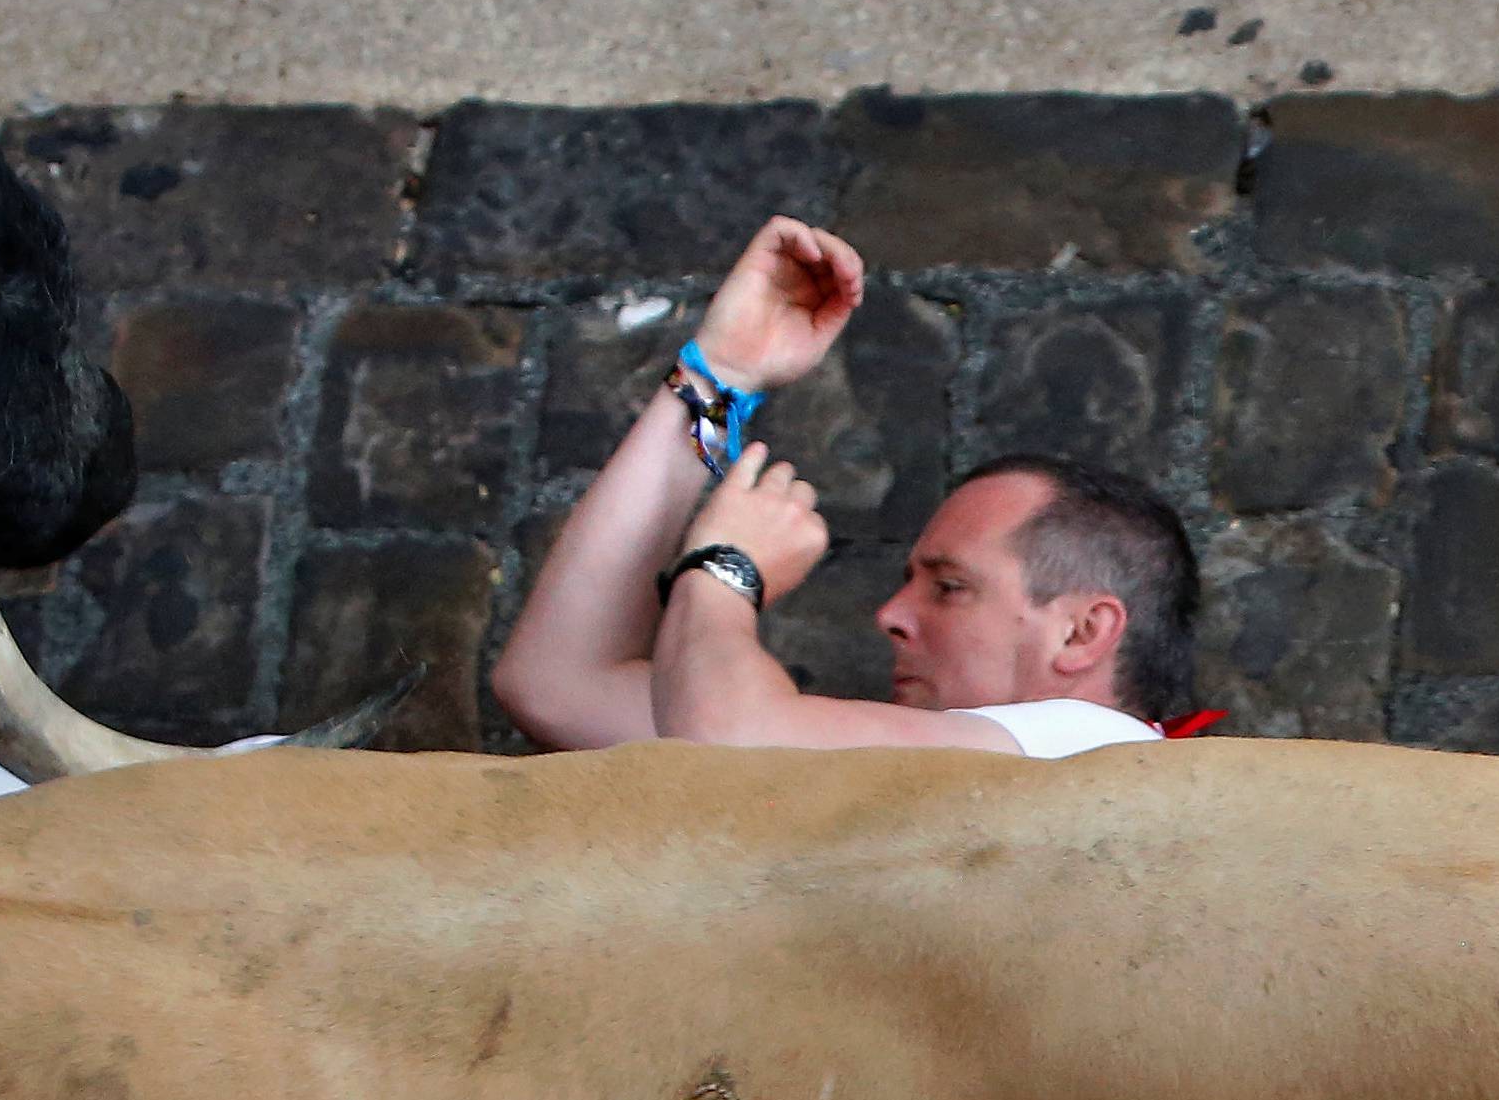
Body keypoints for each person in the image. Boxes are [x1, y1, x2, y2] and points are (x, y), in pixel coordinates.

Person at [493, 216, 1204, 758]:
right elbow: (555, 683)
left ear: (1083, 631)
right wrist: (718, 378)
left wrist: (724, 569)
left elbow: (733, 746)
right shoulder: (953, 754)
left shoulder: (1087, 743)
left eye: (949, 585)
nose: (891, 614)